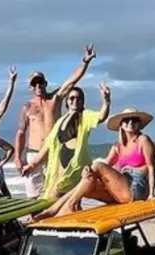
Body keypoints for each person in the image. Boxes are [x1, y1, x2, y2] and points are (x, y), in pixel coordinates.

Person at [13, 46, 97, 199]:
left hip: (55, 152)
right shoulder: (27, 107)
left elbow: (72, 81)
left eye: (41, 83)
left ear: (45, 83)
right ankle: (35, 220)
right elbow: (20, 132)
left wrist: (85, 62)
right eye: (35, 84)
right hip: (34, 153)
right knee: (34, 195)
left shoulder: (55, 99)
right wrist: (17, 157)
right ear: (31, 87)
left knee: (57, 191)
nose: (38, 86)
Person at [26, 83, 112, 219]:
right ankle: (75, 227)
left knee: (56, 197)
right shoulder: (60, 121)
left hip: (75, 168)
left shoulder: (85, 116)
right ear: (67, 102)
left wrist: (106, 101)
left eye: (78, 98)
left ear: (82, 101)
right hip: (58, 169)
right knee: (68, 204)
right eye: (71, 98)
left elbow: (101, 117)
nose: (75, 101)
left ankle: (49, 220)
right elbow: (48, 145)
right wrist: (32, 165)